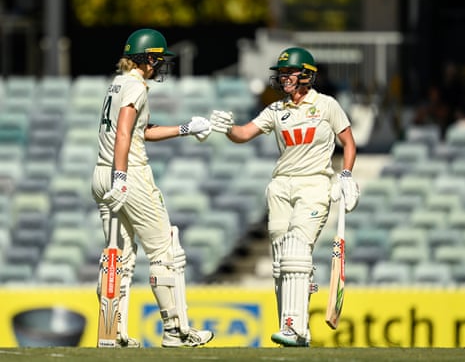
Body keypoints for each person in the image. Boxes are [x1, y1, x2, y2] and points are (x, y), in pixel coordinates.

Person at [209, 47, 359, 347]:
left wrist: (345, 175)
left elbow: (349, 142)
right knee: (281, 262)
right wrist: (227, 129)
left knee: (295, 250)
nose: (283, 78)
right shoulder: (276, 110)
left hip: (314, 185)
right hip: (280, 187)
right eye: (282, 73)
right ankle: (292, 328)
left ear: (306, 74)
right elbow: (243, 133)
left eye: (289, 72)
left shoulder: (327, 105)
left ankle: (296, 327)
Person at [91, 28, 214, 348]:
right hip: (128, 175)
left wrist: (186, 128)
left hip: (101, 173)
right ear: (146, 59)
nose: (160, 66)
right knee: (166, 251)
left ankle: (113, 332)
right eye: (157, 60)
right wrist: (122, 177)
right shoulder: (136, 86)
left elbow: (140, 131)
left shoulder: (116, 83)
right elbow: (123, 133)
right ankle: (176, 331)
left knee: (120, 257)